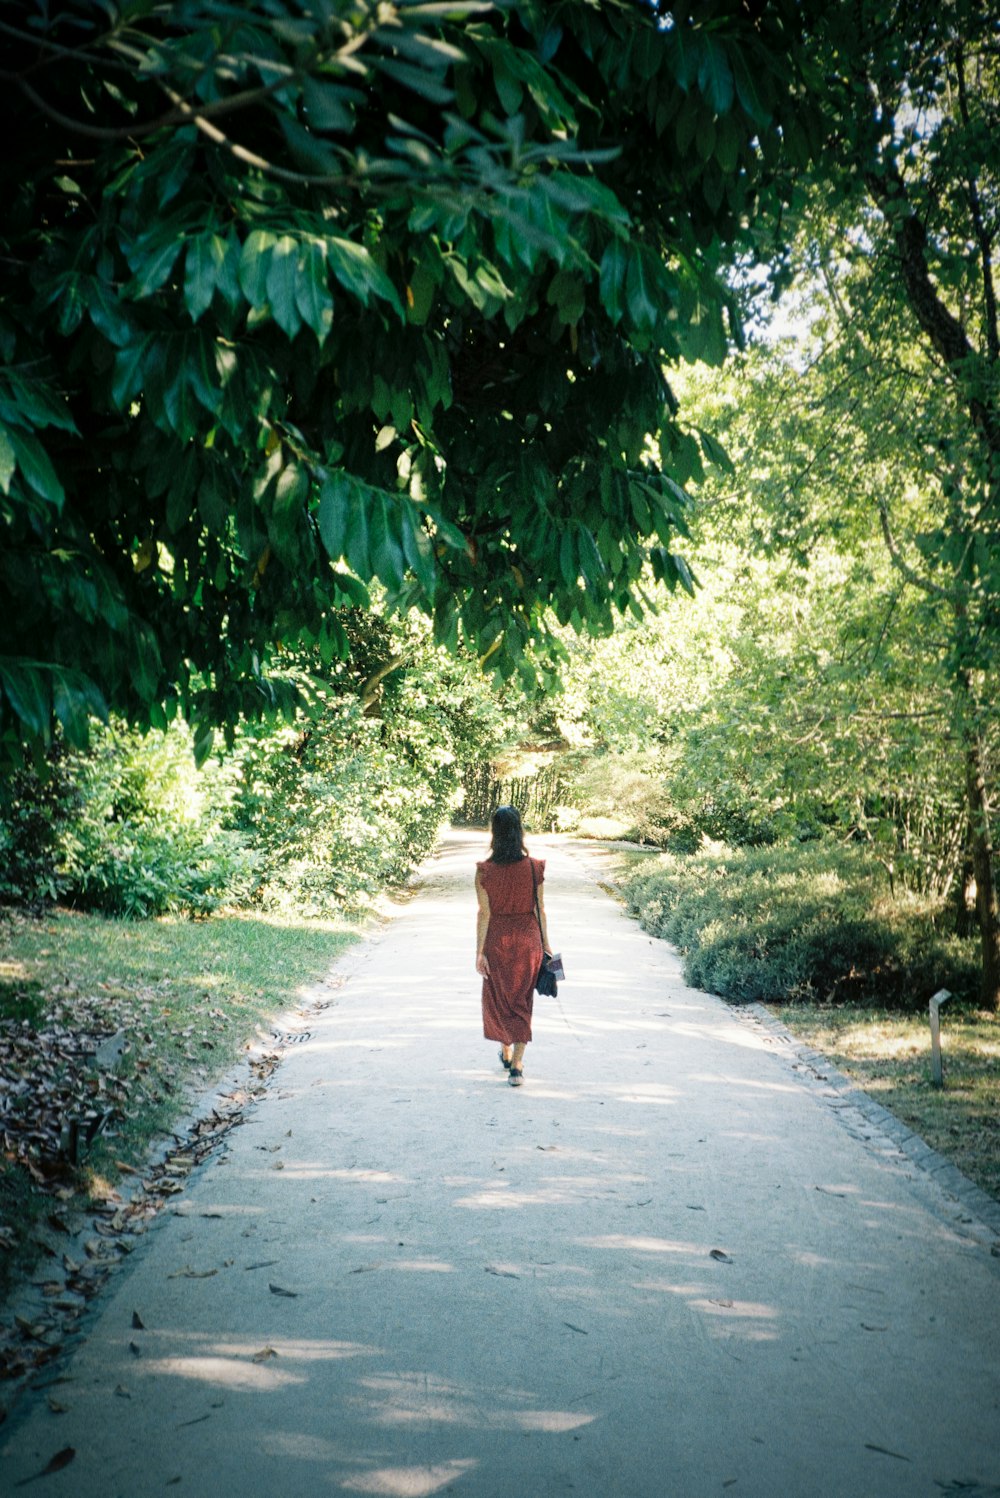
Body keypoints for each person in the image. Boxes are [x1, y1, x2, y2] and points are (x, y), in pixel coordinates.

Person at [475, 804, 551, 1087]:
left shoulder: (484, 871)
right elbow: (540, 909)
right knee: (522, 1000)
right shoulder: (534, 868)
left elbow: (484, 913)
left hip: (497, 939)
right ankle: (517, 1065)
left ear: (494, 833)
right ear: (519, 831)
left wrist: (479, 952)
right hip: (527, 939)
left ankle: (506, 1050)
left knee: (498, 998)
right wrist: (547, 946)